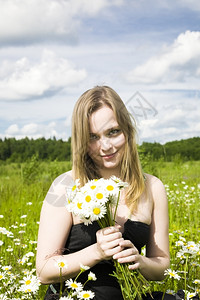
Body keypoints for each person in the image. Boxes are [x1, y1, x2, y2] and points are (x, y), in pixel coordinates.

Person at [36, 86, 172, 300]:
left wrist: (140, 261)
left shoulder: (153, 187)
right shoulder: (65, 186)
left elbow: (162, 267)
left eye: (113, 132)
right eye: (93, 137)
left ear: (127, 129)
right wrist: (96, 252)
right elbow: (43, 271)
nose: (105, 146)